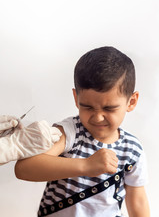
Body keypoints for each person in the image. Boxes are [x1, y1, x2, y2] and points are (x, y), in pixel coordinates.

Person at [15, 46, 150, 217]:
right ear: (76, 98)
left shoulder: (132, 149)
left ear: (131, 102)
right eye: (87, 107)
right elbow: (24, 168)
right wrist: (86, 166)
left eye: (109, 108)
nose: (98, 117)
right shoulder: (69, 132)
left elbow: (137, 200)